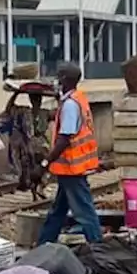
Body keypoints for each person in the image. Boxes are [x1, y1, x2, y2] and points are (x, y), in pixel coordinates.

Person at [37, 62, 102, 244]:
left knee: (84, 210)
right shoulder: (77, 98)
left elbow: (64, 139)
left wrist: (45, 163)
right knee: (58, 210)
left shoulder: (71, 105)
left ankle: (98, 247)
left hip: (72, 167)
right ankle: (44, 243)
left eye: (58, 76)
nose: (56, 80)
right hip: (71, 167)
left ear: (65, 79)